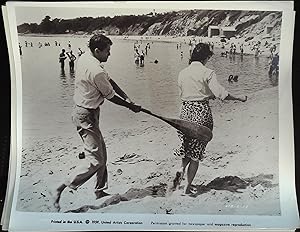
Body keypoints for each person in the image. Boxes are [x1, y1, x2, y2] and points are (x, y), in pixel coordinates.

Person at [52, 34, 141, 211]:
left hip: (89, 112)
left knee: (102, 155)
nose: (110, 54)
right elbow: (110, 96)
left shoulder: (86, 57)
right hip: (85, 115)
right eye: (107, 51)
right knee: (95, 160)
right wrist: (131, 107)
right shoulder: (95, 70)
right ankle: (59, 187)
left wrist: (127, 97)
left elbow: (110, 81)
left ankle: (99, 191)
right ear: (97, 50)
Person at [174, 43, 247, 195]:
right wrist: (239, 98)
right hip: (201, 112)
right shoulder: (208, 72)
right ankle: (187, 187)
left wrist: (206, 94)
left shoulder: (182, 73)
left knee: (187, 146)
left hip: (185, 112)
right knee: (196, 153)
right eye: (208, 58)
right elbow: (222, 94)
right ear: (206, 57)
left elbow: (186, 93)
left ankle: (180, 169)